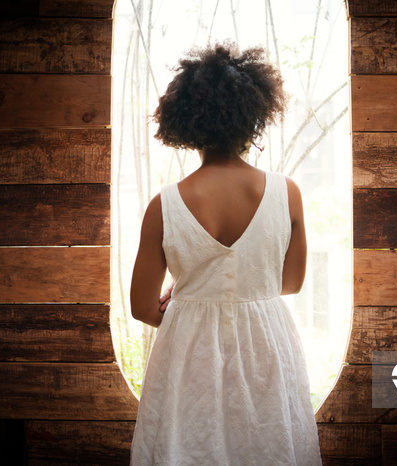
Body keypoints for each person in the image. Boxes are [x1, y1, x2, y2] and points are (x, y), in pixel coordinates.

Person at [129, 41, 322, 465]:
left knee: (188, 448)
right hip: (267, 348)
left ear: (186, 121)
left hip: (188, 354)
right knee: (268, 447)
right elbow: (289, 283)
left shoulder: (165, 204)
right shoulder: (286, 193)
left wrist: (190, 299)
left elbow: (142, 307)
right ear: (252, 116)